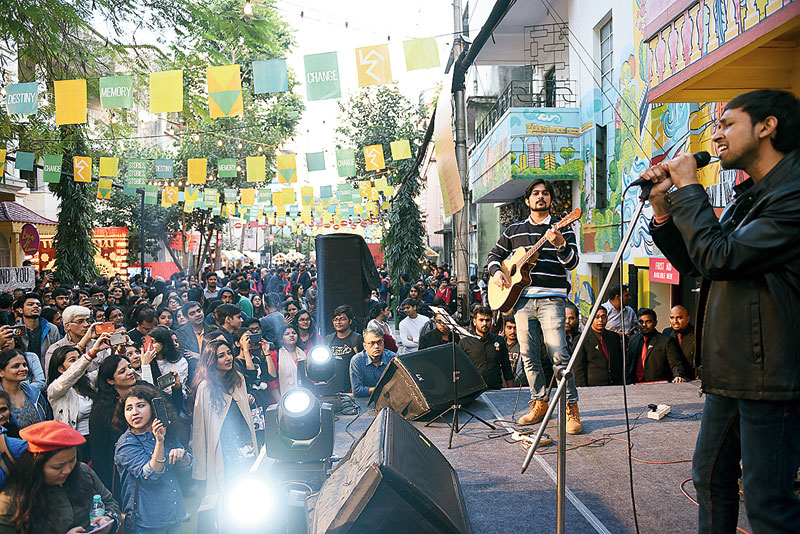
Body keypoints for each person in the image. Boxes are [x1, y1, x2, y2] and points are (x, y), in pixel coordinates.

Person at [643, 89, 800, 533]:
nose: (715, 136)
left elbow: (720, 257)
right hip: (734, 371)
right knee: (710, 479)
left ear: (767, 126)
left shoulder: (792, 195)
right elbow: (699, 263)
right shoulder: (750, 196)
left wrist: (691, 188)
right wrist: (662, 209)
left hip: (772, 376)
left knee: (768, 503)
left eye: (727, 124)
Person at [487, 179, 582, 433]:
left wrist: (560, 244)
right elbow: (493, 256)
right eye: (536, 193)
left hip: (552, 298)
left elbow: (572, 263)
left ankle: (570, 407)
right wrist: (497, 272)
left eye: (545, 193)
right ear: (528, 200)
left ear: (550, 199)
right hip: (522, 300)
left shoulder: (562, 227)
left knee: (559, 354)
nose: (541, 197)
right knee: (528, 356)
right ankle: (539, 402)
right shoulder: (514, 230)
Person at [0, 420, 120, 534]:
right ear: (35, 465)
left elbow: (110, 502)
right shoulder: (11, 502)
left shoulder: (83, 471)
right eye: (57, 467)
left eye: (72, 461)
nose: (67, 470)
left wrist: (109, 519)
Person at [114, 385, 192, 534]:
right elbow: (151, 475)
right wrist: (159, 442)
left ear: (153, 407)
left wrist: (183, 455)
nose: (135, 412)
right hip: (147, 521)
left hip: (174, 512)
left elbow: (187, 465)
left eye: (140, 406)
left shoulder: (164, 430)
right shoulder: (126, 443)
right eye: (129, 408)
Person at [191, 340, 257, 497]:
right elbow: (200, 427)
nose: (228, 358)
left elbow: (245, 414)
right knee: (227, 490)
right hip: (222, 445)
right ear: (211, 360)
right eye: (221, 356)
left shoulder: (238, 378)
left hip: (243, 439)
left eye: (229, 353)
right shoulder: (205, 387)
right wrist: (201, 469)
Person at [46, 344, 106, 461]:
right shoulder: (55, 389)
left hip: (96, 439)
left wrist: (120, 349)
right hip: (74, 443)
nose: (79, 362)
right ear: (61, 369)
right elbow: (70, 376)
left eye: (79, 358)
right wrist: (90, 354)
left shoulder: (87, 382)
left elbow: (106, 369)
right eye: (72, 360)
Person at [88, 354, 138, 497]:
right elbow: (98, 451)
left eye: (129, 367)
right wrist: (107, 488)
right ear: (110, 381)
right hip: (116, 470)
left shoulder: (141, 392)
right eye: (122, 371)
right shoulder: (101, 408)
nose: (130, 372)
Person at [458, 307, 513, 390]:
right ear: (474, 321)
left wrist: (511, 391)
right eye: (481, 320)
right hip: (473, 390)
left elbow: (507, 368)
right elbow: (460, 369)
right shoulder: (465, 342)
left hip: (495, 389)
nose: (484, 323)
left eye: (487, 320)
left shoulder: (499, 340)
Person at [626, 309, 686, 384]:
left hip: (657, 385)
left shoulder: (666, 341)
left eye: (648, 322)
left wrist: (678, 376)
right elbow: (628, 363)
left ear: (655, 323)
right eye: (641, 322)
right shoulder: (633, 339)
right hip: (634, 384)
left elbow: (675, 363)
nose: (644, 325)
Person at [44, 305, 107, 378]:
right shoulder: (56, 349)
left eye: (88, 321)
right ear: (67, 325)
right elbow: (52, 379)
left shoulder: (97, 344)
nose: (86, 325)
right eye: (80, 321)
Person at [0, 349, 51, 433]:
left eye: (24, 365)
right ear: (1, 372)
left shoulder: (35, 394)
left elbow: (48, 421)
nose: (23, 369)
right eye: (16, 366)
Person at [139, 326, 188, 412]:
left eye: (153, 342)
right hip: (151, 407)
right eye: (148, 342)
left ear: (164, 342)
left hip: (174, 405)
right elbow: (147, 390)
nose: (150, 346)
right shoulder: (144, 361)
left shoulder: (180, 362)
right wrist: (145, 365)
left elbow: (179, 390)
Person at [573, 307, 623, 387]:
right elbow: (578, 368)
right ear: (591, 318)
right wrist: (583, 388)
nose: (600, 320)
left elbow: (619, 362)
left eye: (603, 317)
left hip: (614, 385)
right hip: (593, 386)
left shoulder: (614, 337)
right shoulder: (582, 339)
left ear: (607, 318)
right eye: (596, 317)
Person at [349, 325, 396, 397]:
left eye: (379, 342)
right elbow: (357, 390)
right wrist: (383, 389)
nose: (376, 346)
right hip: (365, 400)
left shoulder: (392, 358)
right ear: (365, 346)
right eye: (372, 343)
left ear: (383, 343)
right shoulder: (357, 361)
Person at [14, 293, 60, 366]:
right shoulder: (15, 331)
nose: (35, 306)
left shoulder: (51, 329)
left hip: (46, 369)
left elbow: (57, 353)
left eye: (38, 305)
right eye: (30, 304)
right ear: (20, 310)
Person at [662, 305, 696, 380]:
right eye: (672, 318)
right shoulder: (666, 333)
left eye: (679, 318)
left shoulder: (696, 334)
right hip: (673, 379)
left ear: (687, 319)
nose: (675, 321)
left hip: (692, 379)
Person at [273, 324, 306, 394]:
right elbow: (272, 383)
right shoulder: (275, 355)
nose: (291, 335)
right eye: (287, 334)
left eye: (294, 333)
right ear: (281, 339)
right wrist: (280, 400)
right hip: (283, 396)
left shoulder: (304, 353)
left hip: (305, 394)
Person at [502, 316, 526, 386]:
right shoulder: (499, 344)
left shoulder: (524, 345)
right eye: (509, 328)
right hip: (501, 385)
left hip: (519, 385)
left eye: (515, 328)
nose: (512, 331)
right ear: (504, 328)